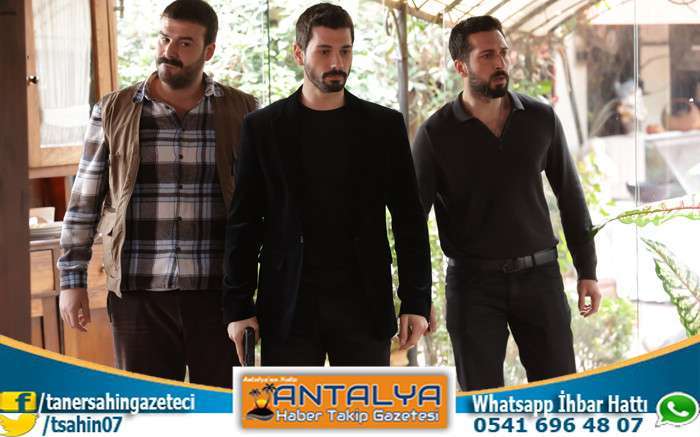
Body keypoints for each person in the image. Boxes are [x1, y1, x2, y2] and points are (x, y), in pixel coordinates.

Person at [58, 0, 256, 388]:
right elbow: (85, 200)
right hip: (138, 293)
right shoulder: (113, 109)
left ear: (208, 50)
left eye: (184, 43)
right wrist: (71, 280)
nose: (169, 50)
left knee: (222, 408)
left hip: (218, 294)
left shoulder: (242, 110)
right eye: (165, 38)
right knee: (146, 409)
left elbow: (258, 204)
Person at [223, 2, 432, 366]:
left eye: (345, 51)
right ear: (299, 53)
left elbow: (409, 220)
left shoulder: (384, 126)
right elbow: (244, 223)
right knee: (288, 405)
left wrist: (415, 300)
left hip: (364, 303)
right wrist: (239, 307)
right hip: (288, 305)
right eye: (324, 51)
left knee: (366, 405)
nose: (337, 62)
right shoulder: (263, 128)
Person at [412, 16, 602, 390]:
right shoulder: (435, 134)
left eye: (503, 53)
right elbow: (413, 220)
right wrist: (418, 297)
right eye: (487, 56)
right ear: (461, 67)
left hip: (540, 279)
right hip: (473, 287)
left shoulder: (540, 118)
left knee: (558, 396)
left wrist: (588, 270)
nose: (500, 63)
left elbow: (570, 195)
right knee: (481, 402)